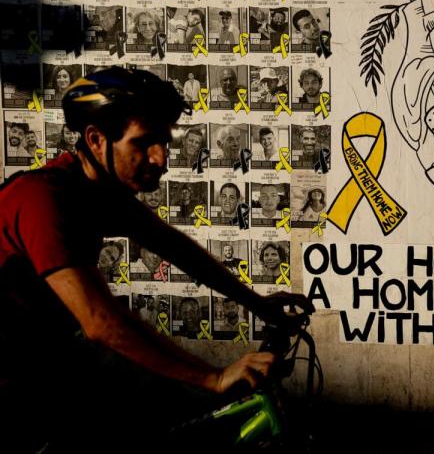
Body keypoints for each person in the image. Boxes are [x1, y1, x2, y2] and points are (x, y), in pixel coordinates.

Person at [0, 68, 311, 449]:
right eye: (144, 143)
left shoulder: (99, 194)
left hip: (41, 362)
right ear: (96, 140)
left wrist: (259, 305)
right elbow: (99, 321)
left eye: (163, 142)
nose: (161, 158)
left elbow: (177, 249)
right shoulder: (41, 200)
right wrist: (213, 378)